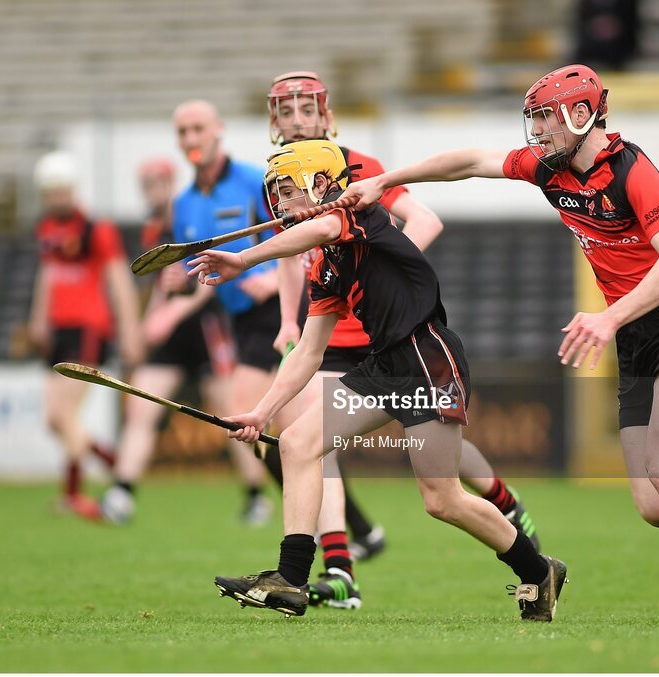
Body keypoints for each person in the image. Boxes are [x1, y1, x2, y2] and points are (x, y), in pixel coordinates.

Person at [341, 64, 659, 626]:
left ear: (582, 114)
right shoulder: (550, 170)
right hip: (632, 331)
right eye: (532, 120)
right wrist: (386, 181)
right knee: (657, 505)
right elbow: (469, 162)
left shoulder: (635, 173)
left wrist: (608, 318)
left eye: (546, 119)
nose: (536, 133)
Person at [189, 140, 567, 621]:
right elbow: (308, 351)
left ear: (321, 184)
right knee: (297, 443)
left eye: (287, 190)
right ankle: (291, 578)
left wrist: (244, 260)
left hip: (427, 359)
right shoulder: (326, 266)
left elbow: (323, 226)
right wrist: (262, 412)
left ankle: (538, 570)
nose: (279, 203)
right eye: (275, 194)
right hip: (385, 365)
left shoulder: (355, 214)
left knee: (443, 500)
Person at [266, 71, 543, 607]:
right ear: (273, 122)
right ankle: (332, 571)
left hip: (401, 336)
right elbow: (292, 252)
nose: (297, 121)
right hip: (333, 328)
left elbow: (421, 221)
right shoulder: (281, 182)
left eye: (307, 110)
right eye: (286, 112)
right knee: (303, 442)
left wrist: (379, 275)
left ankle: (506, 506)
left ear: (327, 117)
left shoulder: (357, 171)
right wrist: (287, 323)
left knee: (440, 480)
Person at [171, 99, 300, 524]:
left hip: (280, 308)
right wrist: (179, 280)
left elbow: (298, 235)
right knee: (288, 430)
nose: (191, 138)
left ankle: (314, 517)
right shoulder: (183, 204)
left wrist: (274, 278)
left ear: (218, 130)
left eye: (198, 128)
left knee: (246, 416)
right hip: (240, 320)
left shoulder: (253, 180)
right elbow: (196, 270)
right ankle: (349, 527)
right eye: (183, 131)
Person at [98, 157, 235, 524]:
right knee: (140, 408)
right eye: (145, 185)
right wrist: (146, 325)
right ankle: (121, 492)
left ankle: (257, 496)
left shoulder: (192, 216)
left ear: (171, 183)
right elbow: (163, 284)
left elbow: (209, 278)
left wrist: (169, 316)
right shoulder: (153, 231)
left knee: (233, 417)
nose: (151, 191)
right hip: (171, 337)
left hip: (206, 325)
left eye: (157, 183)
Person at [27, 150, 144, 520]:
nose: (56, 198)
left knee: (65, 414)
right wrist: (39, 318)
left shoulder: (97, 230)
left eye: (61, 190)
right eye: (50, 192)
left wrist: (129, 329)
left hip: (88, 328)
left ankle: (74, 493)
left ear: (73, 189)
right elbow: (48, 274)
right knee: (54, 418)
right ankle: (111, 459)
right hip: (58, 329)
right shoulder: (46, 229)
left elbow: (118, 279)